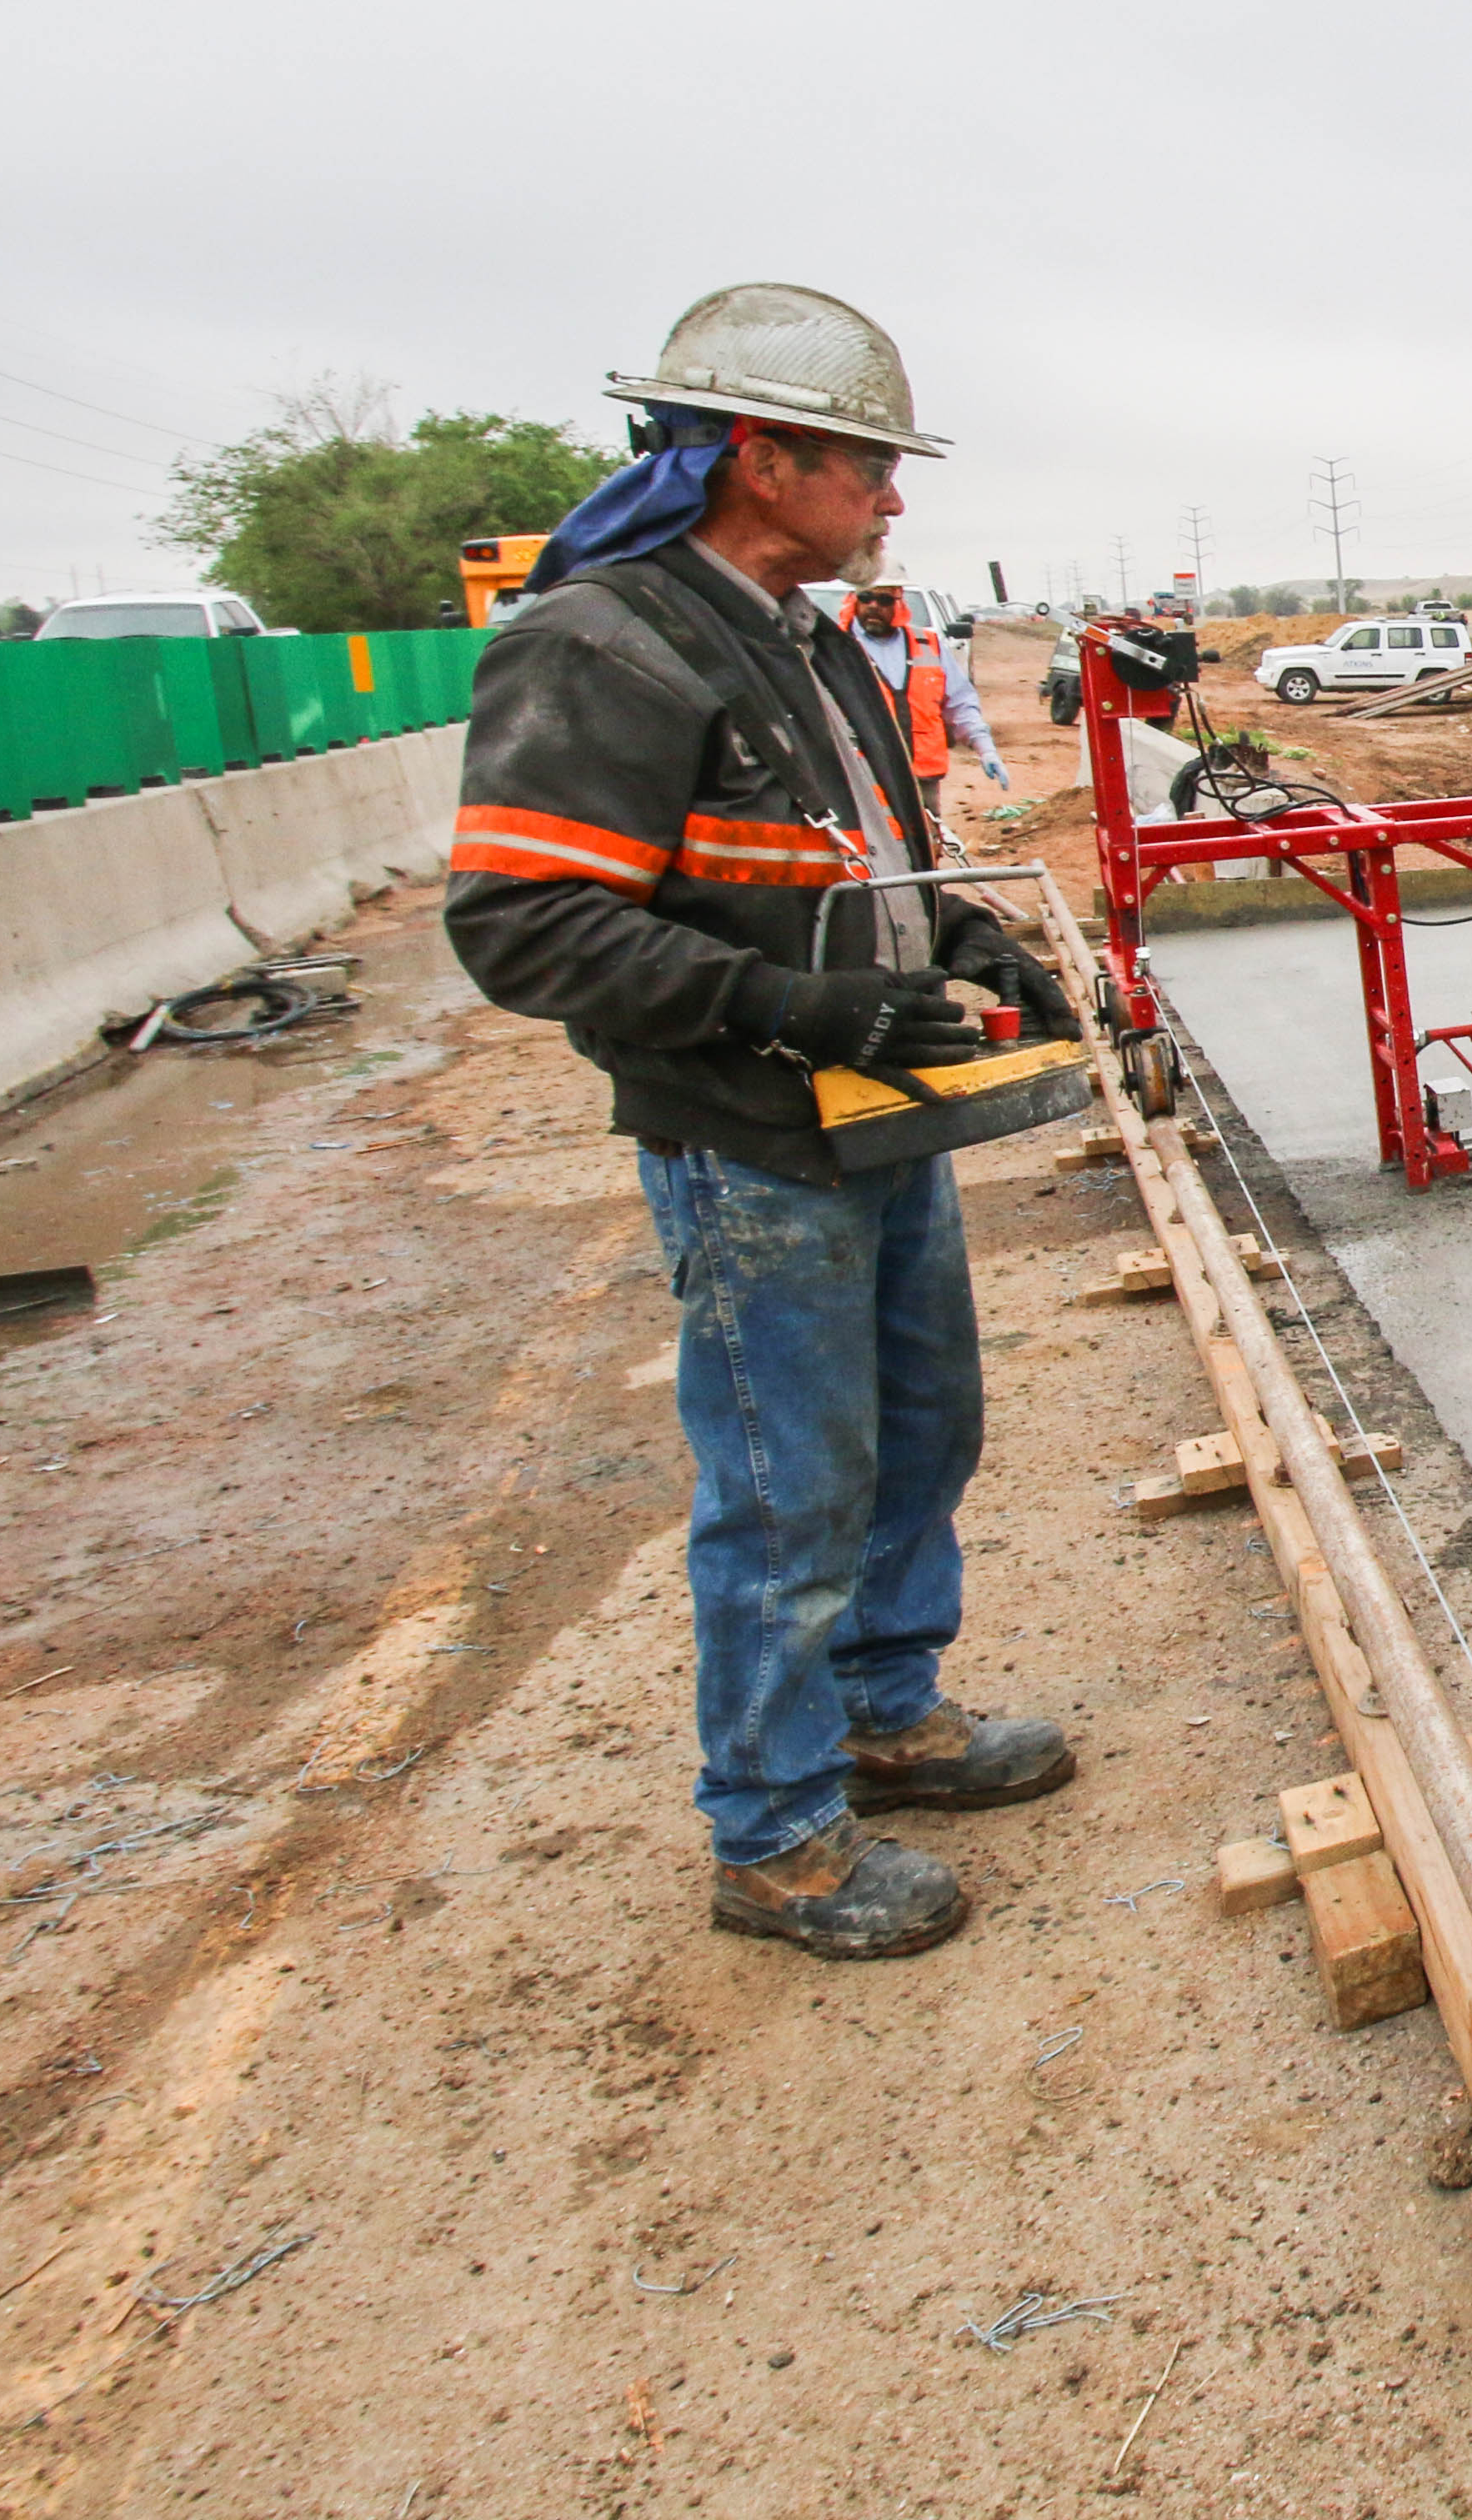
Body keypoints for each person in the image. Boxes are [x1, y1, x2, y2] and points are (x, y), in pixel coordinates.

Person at [443, 283, 1087, 1961]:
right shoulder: (604, 646)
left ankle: (887, 1717)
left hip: (875, 1119)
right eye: (868, 466)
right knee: (788, 1486)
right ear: (757, 455)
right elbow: (522, 922)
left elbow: (860, 861)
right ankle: (779, 1838)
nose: (892, 500)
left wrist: (963, 943)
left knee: (920, 1435)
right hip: (751, 1137)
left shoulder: (812, 645)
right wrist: (787, 1007)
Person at [844, 579, 1007, 842]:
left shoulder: (927, 644)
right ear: (854, 598)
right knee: (873, 849)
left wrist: (985, 748)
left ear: (899, 601)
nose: (873, 606)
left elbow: (960, 703)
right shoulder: (837, 646)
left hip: (921, 778)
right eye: (865, 598)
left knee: (926, 846)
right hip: (862, 777)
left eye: (884, 600)